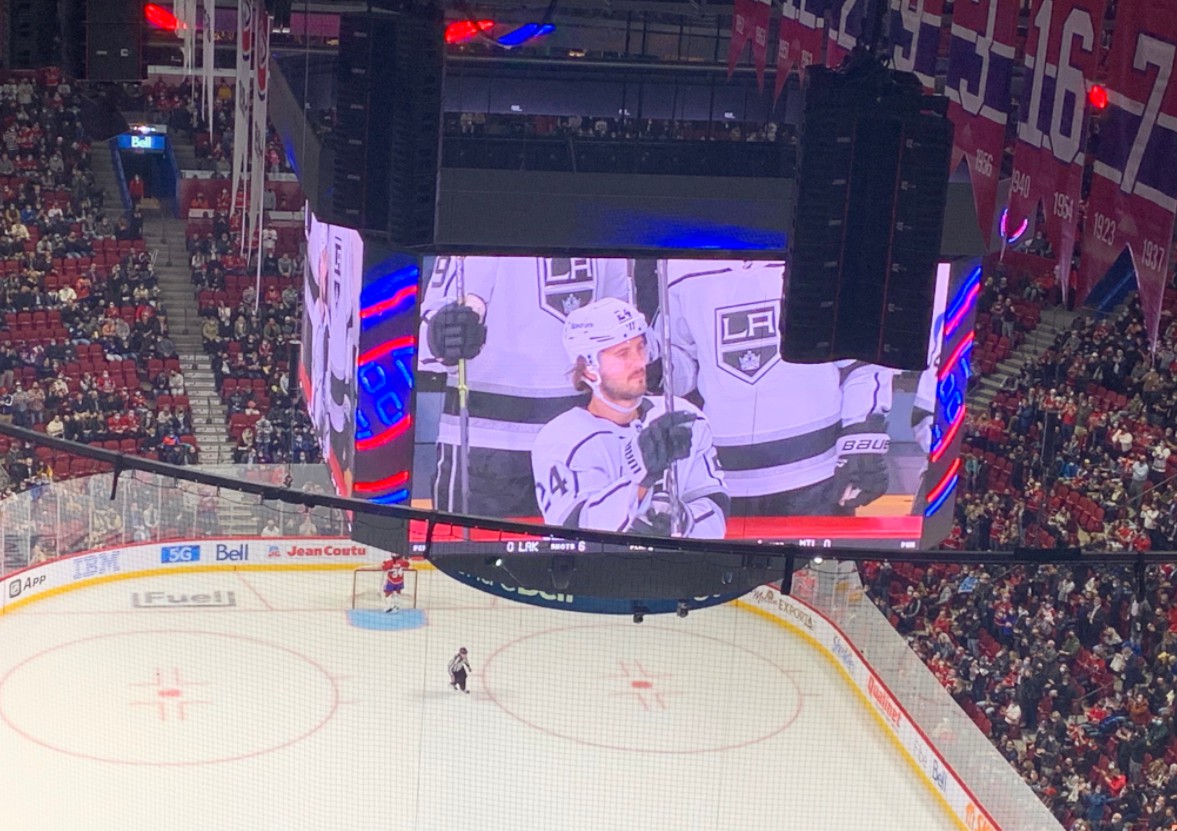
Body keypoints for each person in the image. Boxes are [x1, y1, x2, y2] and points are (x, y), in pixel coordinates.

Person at [655, 259, 895, 518]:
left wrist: (862, 440)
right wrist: (655, 367)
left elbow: (863, 355)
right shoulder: (680, 262)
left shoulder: (823, 250)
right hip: (722, 479)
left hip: (817, 477)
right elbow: (682, 360)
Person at [418, 256, 633, 517]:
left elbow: (625, 325)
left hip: (585, 445)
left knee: (590, 554)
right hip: (485, 449)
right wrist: (444, 333)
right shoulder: (472, 222)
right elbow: (431, 330)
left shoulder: (608, 226)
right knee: (467, 554)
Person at [530, 298, 728, 538]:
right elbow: (574, 531)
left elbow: (714, 512)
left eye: (640, 347)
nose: (638, 362)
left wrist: (683, 521)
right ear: (588, 368)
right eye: (622, 353)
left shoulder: (684, 418)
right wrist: (639, 481)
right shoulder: (560, 439)